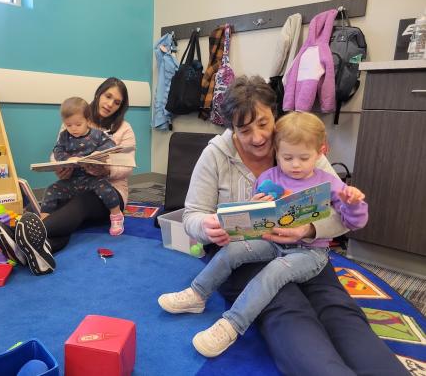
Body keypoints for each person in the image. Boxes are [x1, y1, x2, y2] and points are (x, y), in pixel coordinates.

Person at [158, 76, 408, 375]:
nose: (257, 137)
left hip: (307, 249)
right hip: (248, 248)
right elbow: (192, 215)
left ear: (275, 115)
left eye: (264, 123)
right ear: (231, 128)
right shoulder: (216, 155)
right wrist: (207, 226)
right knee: (285, 308)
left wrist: (310, 229)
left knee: (337, 307)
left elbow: (344, 214)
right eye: (244, 129)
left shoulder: (299, 145)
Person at [158, 111, 369, 358]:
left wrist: (352, 204)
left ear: (321, 152)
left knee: (273, 272)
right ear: (276, 152)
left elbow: (354, 222)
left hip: (310, 252)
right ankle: (197, 293)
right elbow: (255, 221)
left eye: (304, 157)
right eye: (287, 157)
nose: (296, 165)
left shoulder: (329, 183)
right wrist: (254, 204)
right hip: (272, 242)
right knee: (232, 251)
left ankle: (232, 325)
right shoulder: (269, 177)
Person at [0, 77, 136, 276]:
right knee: (61, 212)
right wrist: (61, 167)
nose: (110, 104)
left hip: (107, 191)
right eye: (108, 96)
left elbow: (127, 166)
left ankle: (16, 238)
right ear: (99, 94)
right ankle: (32, 252)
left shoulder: (124, 129)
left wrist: (105, 169)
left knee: (79, 204)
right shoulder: (74, 117)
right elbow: (57, 152)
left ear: (121, 107)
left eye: (117, 102)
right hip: (73, 183)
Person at [41, 96, 124, 237]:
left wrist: (99, 153)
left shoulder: (97, 135)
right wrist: (66, 160)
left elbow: (110, 145)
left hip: (92, 179)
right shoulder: (64, 136)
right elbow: (57, 150)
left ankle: (116, 215)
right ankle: (43, 221)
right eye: (68, 125)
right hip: (71, 180)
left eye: (78, 124)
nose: (73, 129)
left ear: (87, 120)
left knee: (106, 188)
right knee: (50, 190)